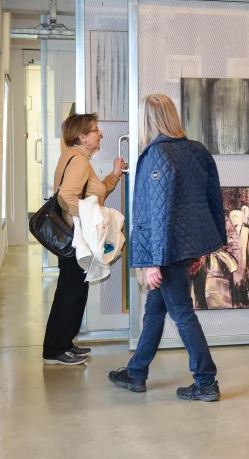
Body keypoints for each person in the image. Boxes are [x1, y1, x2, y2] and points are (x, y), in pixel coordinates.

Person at [109, 93, 226, 402]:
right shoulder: (196, 151)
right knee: (155, 310)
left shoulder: (157, 155)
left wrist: (153, 262)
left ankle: (206, 381)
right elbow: (208, 203)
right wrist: (199, 249)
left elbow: (157, 214)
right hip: (183, 247)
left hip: (167, 250)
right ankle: (136, 372)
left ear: (147, 121)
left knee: (182, 313)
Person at [43, 113, 125, 366]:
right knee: (70, 292)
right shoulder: (78, 160)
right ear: (82, 136)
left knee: (76, 291)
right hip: (74, 238)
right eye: (95, 130)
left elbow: (95, 192)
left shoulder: (76, 158)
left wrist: (114, 175)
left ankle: (65, 344)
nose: (100, 134)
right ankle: (54, 350)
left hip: (74, 237)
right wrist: (93, 217)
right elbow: (66, 198)